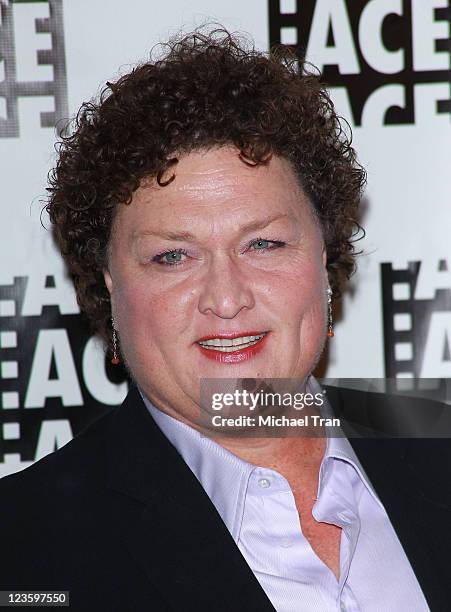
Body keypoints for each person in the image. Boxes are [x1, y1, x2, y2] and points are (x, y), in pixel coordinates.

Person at [0, 28, 449, 612]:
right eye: (172, 256)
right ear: (109, 285)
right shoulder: (25, 550)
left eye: (262, 243)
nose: (226, 297)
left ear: (323, 254)